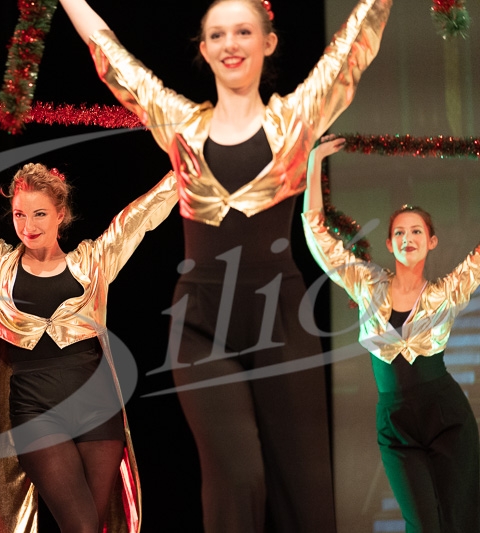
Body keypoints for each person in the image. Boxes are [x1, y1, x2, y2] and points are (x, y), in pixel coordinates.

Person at [56, 0, 392, 530]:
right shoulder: (181, 127)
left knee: (304, 489)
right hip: (200, 325)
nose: (230, 44)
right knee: (238, 478)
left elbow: (356, 43)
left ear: (268, 42)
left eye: (243, 32)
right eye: (217, 35)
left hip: (282, 320)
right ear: (204, 48)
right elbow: (112, 56)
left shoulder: (297, 118)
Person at [0, 92, 177, 533]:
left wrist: (194, 154)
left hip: (98, 410)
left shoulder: (93, 262)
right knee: (81, 526)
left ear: (61, 214)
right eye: (20, 215)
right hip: (36, 413)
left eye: (40, 214)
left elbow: (145, 213)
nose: (28, 226)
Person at [303, 134, 480, 532]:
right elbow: (317, 233)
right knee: (422, 524)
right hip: (395, 422)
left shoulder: (446, 292)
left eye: (416, 232)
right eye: (399, 233)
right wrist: (315, 161)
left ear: (431, 242)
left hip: (447, 417)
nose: (407, 239)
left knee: (459, 521)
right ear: (389, 243)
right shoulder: (367, 284)